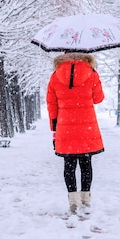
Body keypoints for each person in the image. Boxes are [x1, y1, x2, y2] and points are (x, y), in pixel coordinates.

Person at [46, 52, 105, 214]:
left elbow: (52, 104)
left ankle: (73, 202)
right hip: (87, 127)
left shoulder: (55, 76)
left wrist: (54, 129)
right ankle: (86, 200)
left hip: (65, 127)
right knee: (86, 164)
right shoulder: (91, 73)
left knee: (69, 165)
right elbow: (98, 98)